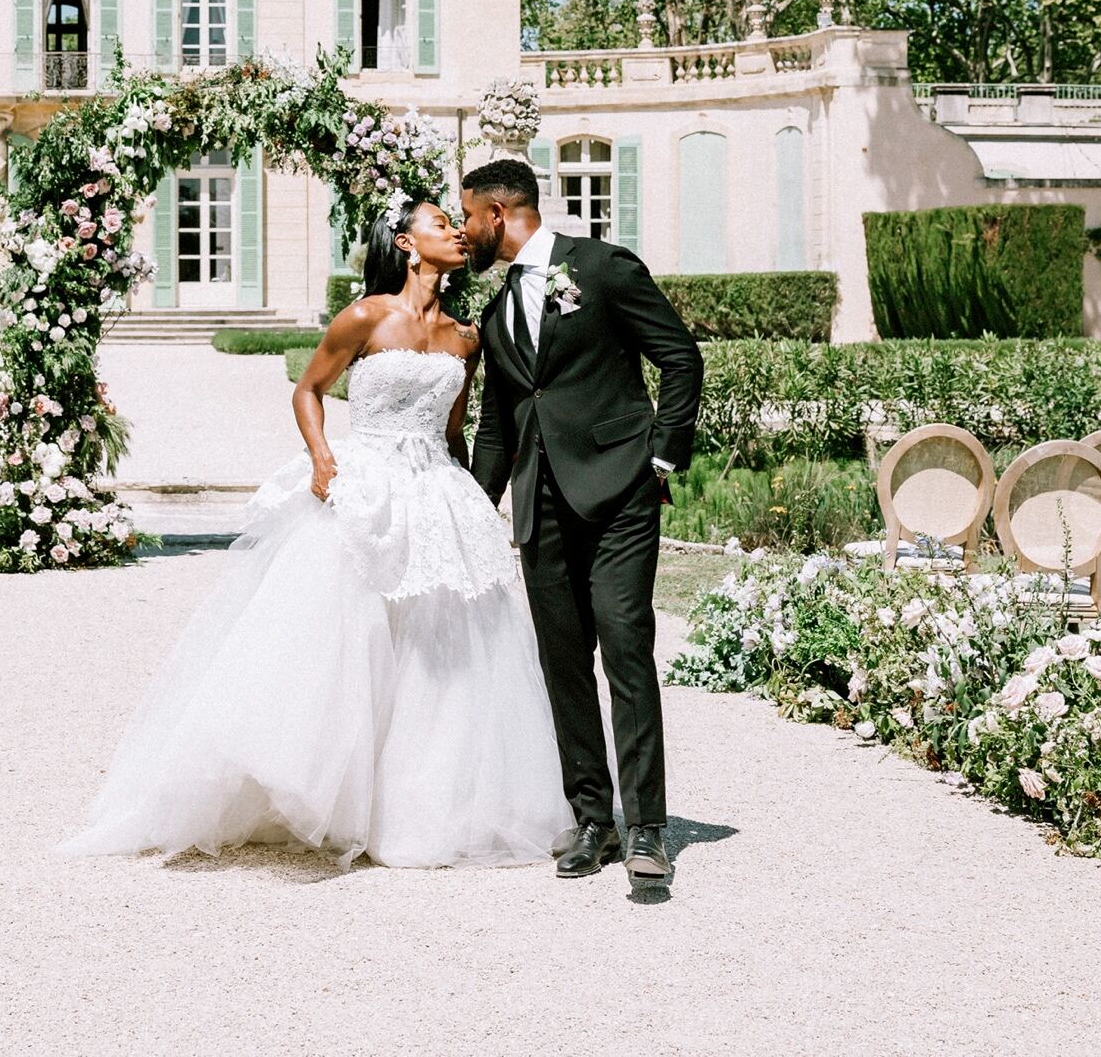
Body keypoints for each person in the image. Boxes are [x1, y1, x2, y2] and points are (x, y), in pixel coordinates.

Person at [60, 197, 571, 868]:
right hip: (364, 481)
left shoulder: (465, 337)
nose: (453, 230)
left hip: (433, 486)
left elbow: (453, 426)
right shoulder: (363, 316)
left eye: (455, 222)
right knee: (344, 637)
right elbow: (309, 389)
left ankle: (416, 804)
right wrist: (322, 455)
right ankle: (323, 785)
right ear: (407, 243)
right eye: (439, 223)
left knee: (436, 648)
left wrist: (466, 493)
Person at [459, 157, 703, 889]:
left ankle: (648, 827)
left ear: (500, 212)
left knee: (626, 648)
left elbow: (679, 357)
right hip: (541, 508)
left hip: (622, 498)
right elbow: (498, 425)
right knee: (562, 664)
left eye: (468, 214)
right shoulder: (499, 310)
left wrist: (660, 460)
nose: (465, 228)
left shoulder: (600, 268)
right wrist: (473, 508)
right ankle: (594, 816)